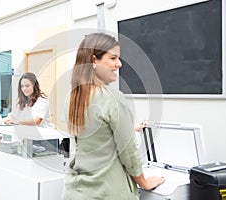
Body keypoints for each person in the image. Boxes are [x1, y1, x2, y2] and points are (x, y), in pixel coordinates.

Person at [63, 33, 165, 200]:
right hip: (106, 192)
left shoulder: (73, 97)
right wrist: (144, 182)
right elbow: (129, 154)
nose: (119, 64)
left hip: (75, 192)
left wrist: (129, 129)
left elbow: (93, 137)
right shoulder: (112, 97)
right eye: (113, 58)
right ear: (94, 60)